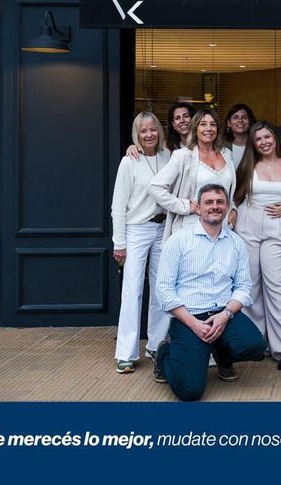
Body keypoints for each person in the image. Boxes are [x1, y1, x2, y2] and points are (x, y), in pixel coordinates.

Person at [153, 183, 265, 401]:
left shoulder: (236, 243)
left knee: (255, 346)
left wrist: (225, 315)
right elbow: (164, 290)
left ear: (226, 207)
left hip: (223, 313)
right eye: (209, 202)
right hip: (189, 317)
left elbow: (243, 287)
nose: (215, 206)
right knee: (189, 391)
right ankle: (164, 355)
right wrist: (194, 324)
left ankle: (222, 356)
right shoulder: (178, 241)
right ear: (199, 207)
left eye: (220, 202)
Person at [234, 120, 281, 370]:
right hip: (248, 223)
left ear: (276, 138)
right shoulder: (249, 165)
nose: (264, 142)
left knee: (278, 285)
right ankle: (255, 342)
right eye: (258, 138)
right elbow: (236, 198)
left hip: (276, 226)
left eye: (267, 137)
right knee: (250, 284)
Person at [111, 112, 172, 372]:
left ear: (159, 131)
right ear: (136, 134)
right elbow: (118, 205)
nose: (149, 134)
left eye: (152, 129)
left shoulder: (168, 156)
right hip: (137, 229)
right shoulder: (130, 161)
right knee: (132, 290)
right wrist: (119, 242)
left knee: (160, 288)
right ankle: (126, 353)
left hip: (163, 228)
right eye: (143, 131)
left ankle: (156, 345)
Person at [148, 109, 238, 243]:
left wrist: (233, 209)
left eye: (213, 124)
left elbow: (227, 189)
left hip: (222, 228)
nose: (208, 128)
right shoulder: (183, 156)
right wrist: (185, 206)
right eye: (203, 124)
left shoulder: (227, 154)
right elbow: (154, 187)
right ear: (195, 128)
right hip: (192, 228)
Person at [125, 102, 195, 159]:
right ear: (173, 124)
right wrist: (134, 147)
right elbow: (149, 149)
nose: (182, 120)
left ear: (193, 119)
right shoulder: (168, 146)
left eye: (186, 116)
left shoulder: (200, 143)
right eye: (177, 118)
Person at [223, 103, 256, 168]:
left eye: (244, 117)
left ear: (250, 122)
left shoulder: (257, 145)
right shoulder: (221, 147)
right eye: (235, 117)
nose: (240, 120)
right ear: (228, 123)